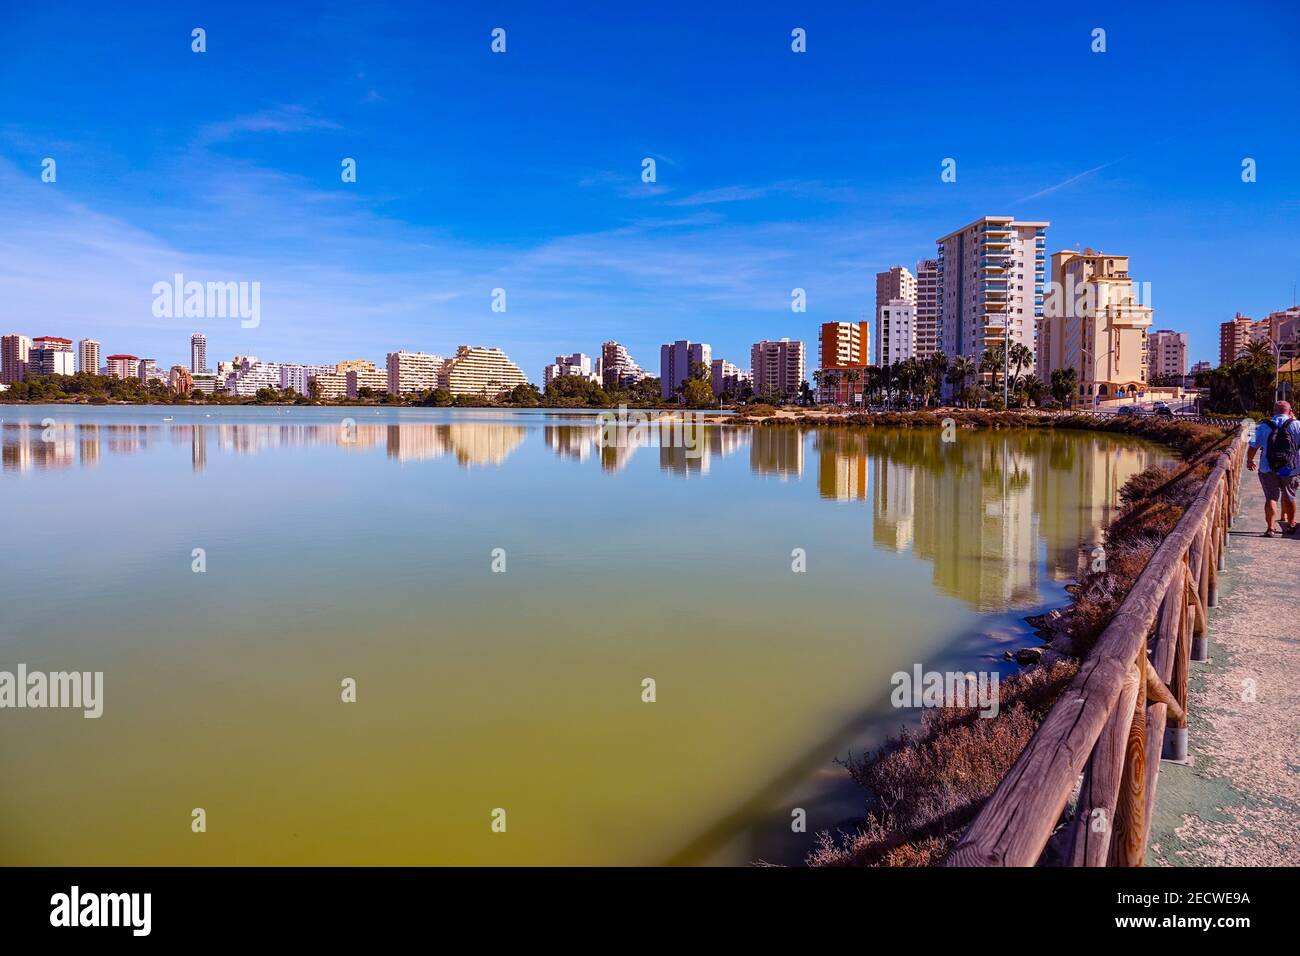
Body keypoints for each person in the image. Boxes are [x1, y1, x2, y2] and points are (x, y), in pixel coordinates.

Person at [1246, 400, 1300, 538]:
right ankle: (1291, 524)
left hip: (1268, 468)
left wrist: (1250, 460)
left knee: (1271, 497)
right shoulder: (1297, 425)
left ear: (1274, 411)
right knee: (1290, 496)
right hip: (1290, 469)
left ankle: (1270, 528)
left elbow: (1253, 446)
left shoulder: (1264, 426)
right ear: (1290, 411)